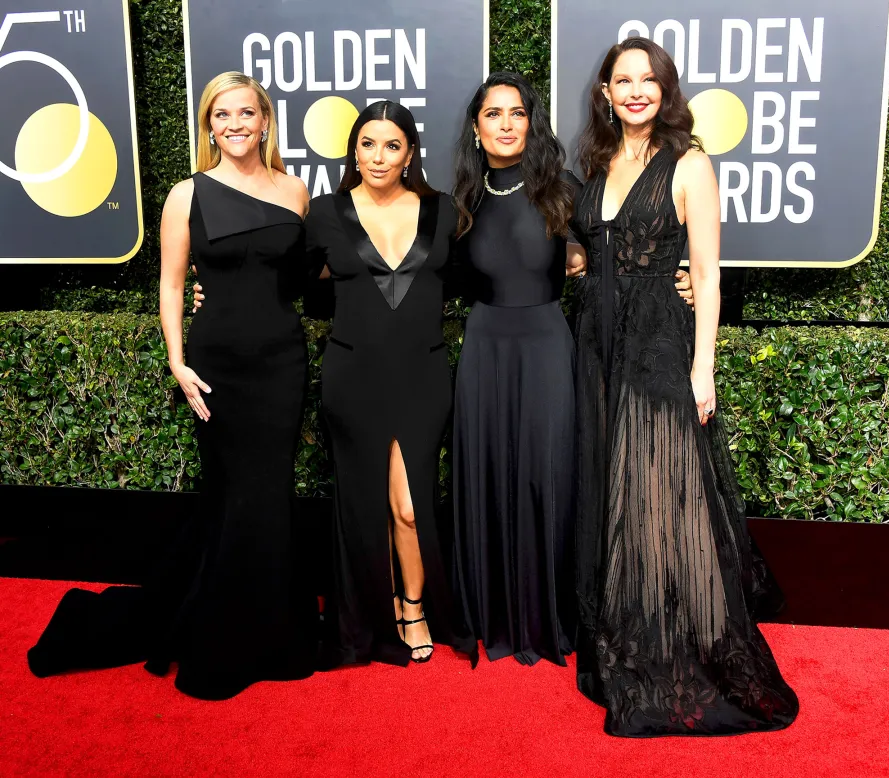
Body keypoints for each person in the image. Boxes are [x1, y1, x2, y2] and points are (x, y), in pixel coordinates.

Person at [28, 72, 319, 700]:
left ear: (266, 121)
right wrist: (177, 361)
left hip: (282, 362)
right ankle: (223, 638)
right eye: (222, 114)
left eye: (247, 112)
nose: (235, 124)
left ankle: (274, 632)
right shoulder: (187, 195)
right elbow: (169, 284)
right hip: (217, 363)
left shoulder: (296, 191)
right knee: (233, 492)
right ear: (209, 125)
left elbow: (298, 281)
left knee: (269, 495)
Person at [570, 38, 799, 736]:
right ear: (605, 91)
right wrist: (581, 261)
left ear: (666, 91)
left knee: (662, 494)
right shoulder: (596, 161)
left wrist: (704, 369)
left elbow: (705, 275)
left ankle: (676, 646)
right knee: (612, 491)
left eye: (649, 80)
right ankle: (623, 631)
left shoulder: (690, 162)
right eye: (623, 80)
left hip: (658, 345)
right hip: (596, 344)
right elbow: (591, 240)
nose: (636, 91)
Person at [197, 101, 475, 666]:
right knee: (361, 504)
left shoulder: (444, 211)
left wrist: (574, 255)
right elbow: (282, 280)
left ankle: (413, 605)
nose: (379, 156)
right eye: (368, 144)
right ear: (354, 151)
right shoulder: (323, 213)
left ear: (410, 153)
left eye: (392, 145)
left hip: (422, 373)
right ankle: (364, 614)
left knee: (409, 506)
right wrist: (211, 295)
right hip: (352, 376)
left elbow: (478, 276)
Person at [451, 72, 695, 665]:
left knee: (549, 474)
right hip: (484, 348)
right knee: (486, 472)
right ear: (476, 127)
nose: (506, 124)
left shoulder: (564, 190)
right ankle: (490, 611)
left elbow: (624, 248)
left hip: (546, 345)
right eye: (493, 114)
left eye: (517, 113)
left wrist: (680, 278)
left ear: (532, 122)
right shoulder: (458, 200)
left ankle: (551, 614)